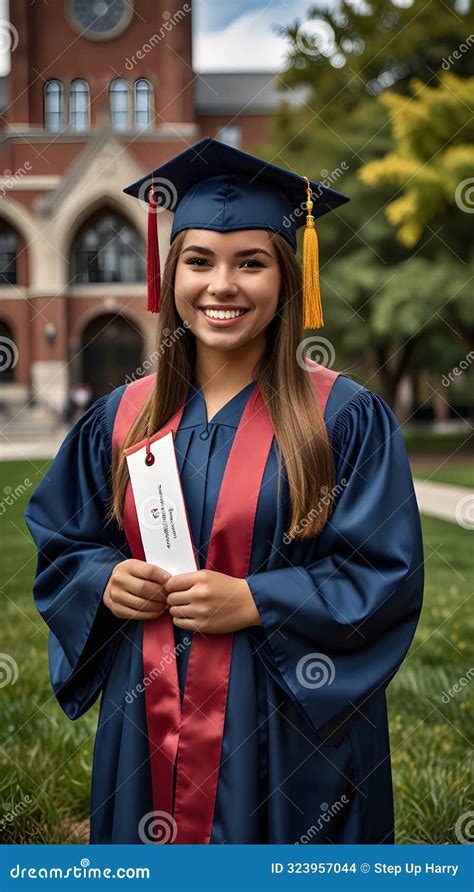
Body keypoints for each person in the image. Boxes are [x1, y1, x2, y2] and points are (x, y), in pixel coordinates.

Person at [24, 137, 424, 845]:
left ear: (290, 277)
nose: (222, 286)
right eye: (200, 260)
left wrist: (256, 601)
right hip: (150, 713)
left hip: (285, 721)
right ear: (170, 273)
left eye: (252, 263)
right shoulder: (121, 418)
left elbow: (384, 575)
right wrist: (105, 580)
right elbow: (64, 542)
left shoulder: (343, 417)